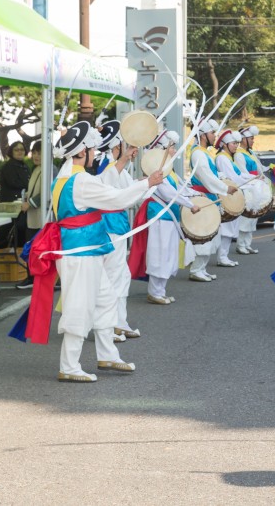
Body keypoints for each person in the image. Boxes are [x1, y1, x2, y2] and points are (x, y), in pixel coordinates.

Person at [13, 121, 164, 382]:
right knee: (79, 307)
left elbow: (108, 192)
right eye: (93, 149)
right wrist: (147, 183)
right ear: (82, 152)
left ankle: (107, 354)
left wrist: (141, 183)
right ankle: (69, 366)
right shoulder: (81, 180)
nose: (96, 153)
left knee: (105, 300)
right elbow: (117, 200)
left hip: (83, 251)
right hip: (80, 253)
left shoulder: (65, 176)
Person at [128, 130, 200, 306]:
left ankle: (160, 290)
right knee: (159, 253)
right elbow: (168, 193)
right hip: (159, 216)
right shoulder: (157, 168)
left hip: (169, 216)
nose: (174, 151)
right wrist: (191, 205)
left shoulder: (168, 169)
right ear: (162, 149)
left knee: (168, 253)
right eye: (172, 147)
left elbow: (180, 188)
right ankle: (155, 292)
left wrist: (195, 195)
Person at [95, 121, 140, 340]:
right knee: (112, 276)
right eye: (124, 146)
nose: (129, 151)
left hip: (118, 224)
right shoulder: (104, 165)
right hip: (107, 225)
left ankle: (119, 322)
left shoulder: (114, 166)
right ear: (116, 147)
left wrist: (150, 181)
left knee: (122, 275)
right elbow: (112, 190)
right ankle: (106, 326)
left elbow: (132, 189)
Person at [213, 129, 249, 268]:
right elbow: (233, 179)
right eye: (233, 143)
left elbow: (238, 175)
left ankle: (224, 256)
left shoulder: (228, 158)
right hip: (227, 195)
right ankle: (222, 257)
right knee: (227, 227)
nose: (236, 146)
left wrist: (252, 179)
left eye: (237, 143)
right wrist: (250, 182)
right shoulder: (222, 158)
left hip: (232, 194)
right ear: (224, 144)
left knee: (230, 226)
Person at [15, 143, 45, 290]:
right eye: (35, 153)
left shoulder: (48, 169)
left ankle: (34, 278)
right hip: (34, 217)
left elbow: (47, 192)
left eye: (40, 153)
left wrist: (30, 203)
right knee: (31, 247)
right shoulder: (37, 169)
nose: (36, 156)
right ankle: (31, 277)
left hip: (41, 218)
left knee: (36, 248)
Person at [234, 123, 267, 255]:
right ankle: (241, 244)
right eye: (251, 138)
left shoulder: (250, 152)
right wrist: (256, 178)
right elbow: (242, 172)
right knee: (246, 217)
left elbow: (259, 169)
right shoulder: (239, 155)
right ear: (244, 139)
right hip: (248, 188)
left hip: (256, 187)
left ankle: (247, 244)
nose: (253, 141)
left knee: (253, 217)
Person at [0, 141, 30, 249]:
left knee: (19, 230)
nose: (20, 152)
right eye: (16, 149)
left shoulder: (25, 166)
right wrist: (30, 185)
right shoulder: (9, 166)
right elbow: (14, 182)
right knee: (6, 229)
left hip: (21, 203)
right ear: (12, 152)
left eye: (22, 149)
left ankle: (18, 252)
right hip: (10, 204)